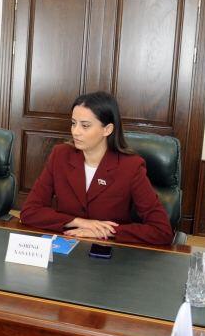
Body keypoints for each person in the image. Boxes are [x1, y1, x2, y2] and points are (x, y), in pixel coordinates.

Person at [20, 91, 173, 245]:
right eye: (73, 123)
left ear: (107, 129)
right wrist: (78, 222)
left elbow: (162, 230)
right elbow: (29, 211)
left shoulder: (131, 167)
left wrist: (106, 231)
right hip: (66, 244)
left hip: (109, 250)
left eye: (85, 126)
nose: (75, 131)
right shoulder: (60, 155)